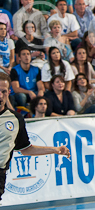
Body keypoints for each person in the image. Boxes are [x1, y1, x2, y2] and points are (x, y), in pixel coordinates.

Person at [0, 73, 71, 201]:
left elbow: (26, 149)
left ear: (9, 92)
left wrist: (55, 150)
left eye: (3, 91)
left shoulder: (15, 119)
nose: (0, 95)